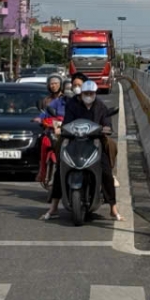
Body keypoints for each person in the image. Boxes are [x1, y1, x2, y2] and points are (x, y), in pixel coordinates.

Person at [41, 80, 123, 222]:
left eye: (91, 93)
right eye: (86, 93)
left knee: (106, 171)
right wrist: (63, 129)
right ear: (81, 94)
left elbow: (107, 122)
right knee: (60, 170)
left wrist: (106, 128)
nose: (88, 96)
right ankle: (53, 207)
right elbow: (67, 122)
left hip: (94, 142)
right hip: (74, 141)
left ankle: (113, 209)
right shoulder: (73, 105)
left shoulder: (100, 106)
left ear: (95, 94)